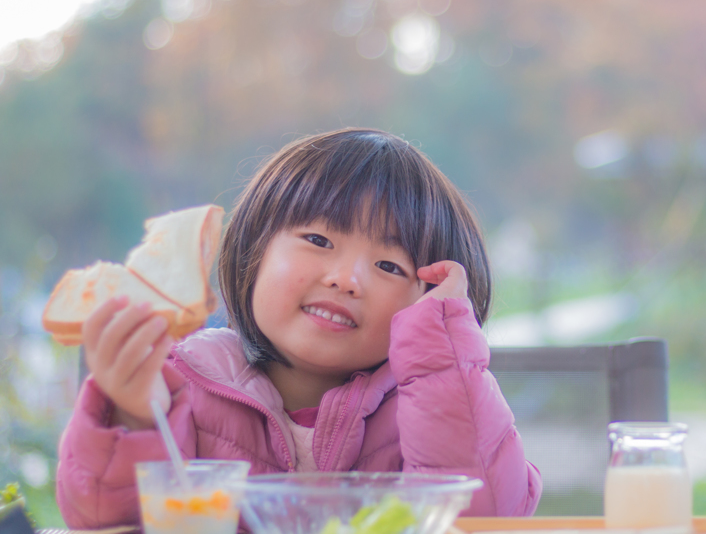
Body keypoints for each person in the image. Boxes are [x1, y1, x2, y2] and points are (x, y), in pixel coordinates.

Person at [56, 128, 542, 529]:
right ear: (254, 252)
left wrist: (442, 360)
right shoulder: (181, 386)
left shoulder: (425, 405)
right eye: (317, 239)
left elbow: (490, 518)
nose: (345, 279)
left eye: (390, 267)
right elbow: (102, 520)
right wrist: (135, 417)